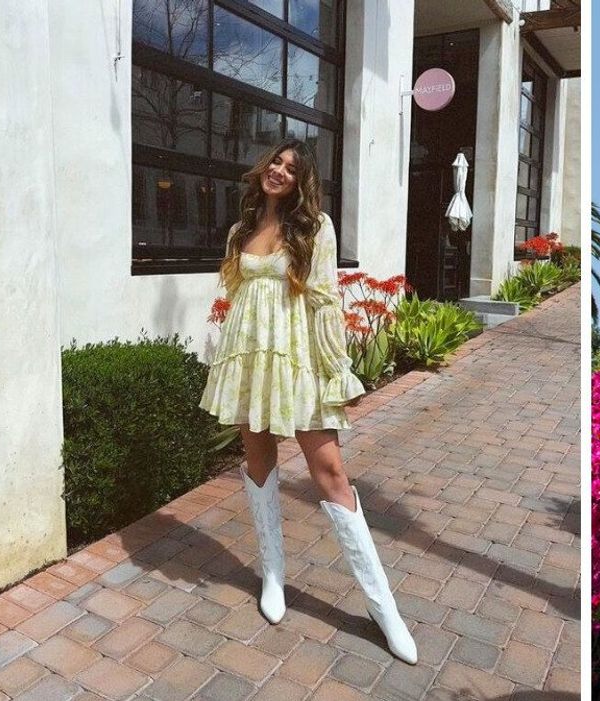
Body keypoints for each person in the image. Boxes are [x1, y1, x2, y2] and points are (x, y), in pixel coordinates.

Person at [198, 138, 418, 665]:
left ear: (301, 182)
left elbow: (324, 304)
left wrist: (334, 372)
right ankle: (273, 574)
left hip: (299, 362)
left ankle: (384, 609)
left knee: (331, 473)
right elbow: (239, 300)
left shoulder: (315, 230)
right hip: (252, 361)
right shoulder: (240, 231)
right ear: (264, 168)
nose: (279, 170)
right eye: (275, 161)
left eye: (291, 168)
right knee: (257, 462)